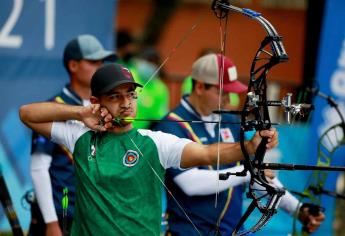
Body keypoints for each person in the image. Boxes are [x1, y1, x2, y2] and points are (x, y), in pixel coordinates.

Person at [19, 63, 278, 236]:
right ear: (96, 102)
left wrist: (250, 146)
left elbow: (208, 153)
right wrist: (80, 112)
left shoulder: (155, 142)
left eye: (130, 95)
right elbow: (27, 114)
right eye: (115, 96)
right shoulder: (81, 137)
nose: (126, 103)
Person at [153, 53, 325, 235]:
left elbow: (256, 176)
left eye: (231, 93)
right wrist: (245, 174)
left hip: (232, 231)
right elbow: (190, 183)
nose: (228, 99)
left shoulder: (230, 121)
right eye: (223, 92)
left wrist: (299, 210)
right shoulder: (170, 126)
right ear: (200, 87)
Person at [28, 34, 116, 236]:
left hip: (91, 216)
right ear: (73, 65)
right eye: (93, 62)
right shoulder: (53, 108)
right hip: (61, 216)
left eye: (102, 62)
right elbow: (39, 168)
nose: (100, 67)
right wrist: (51, 224)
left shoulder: (103, 108)